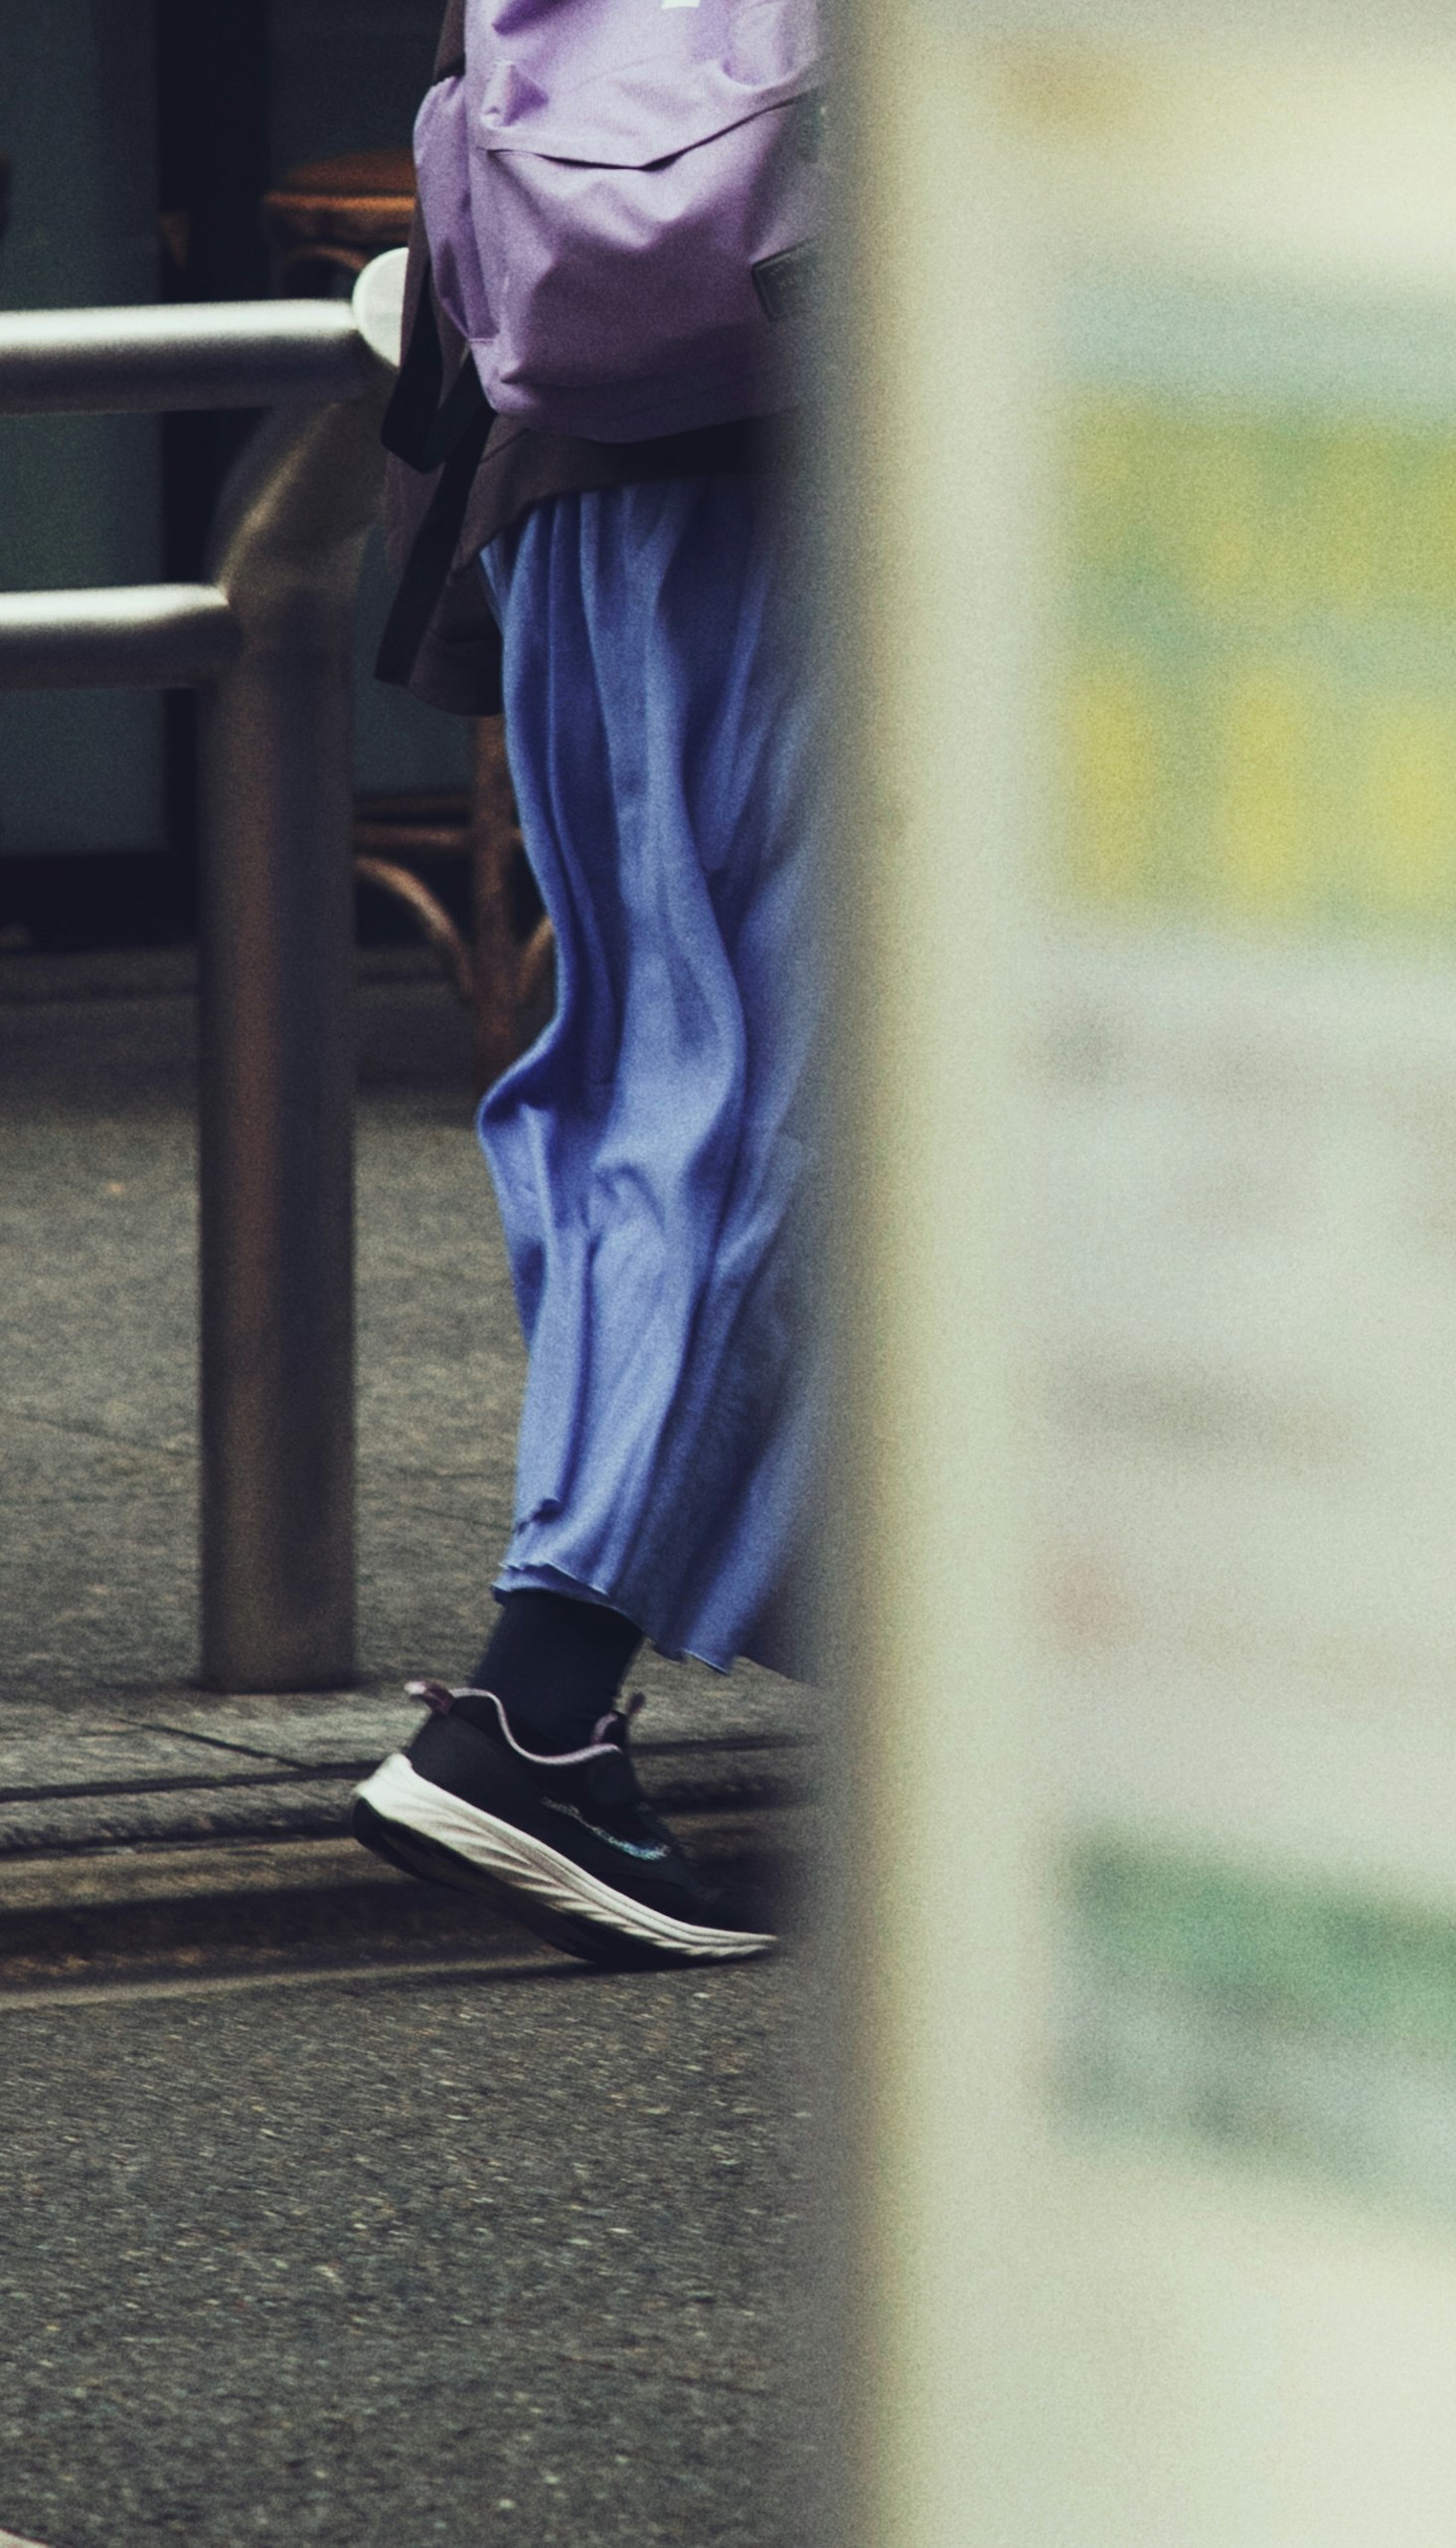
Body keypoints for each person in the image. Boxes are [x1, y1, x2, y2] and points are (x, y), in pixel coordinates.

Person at [343, 0, 814, 1968]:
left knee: (637, 1070)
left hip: (565, 471)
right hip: (777, 474)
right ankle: (537, 1714)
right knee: (768, 1092)